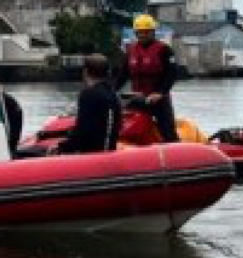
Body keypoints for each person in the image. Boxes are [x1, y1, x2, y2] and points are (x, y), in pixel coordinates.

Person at [116, 14, 180, 143]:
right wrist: (111, 90)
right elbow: (122, 75)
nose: (142, 35)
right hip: (137, 99)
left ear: (153, 32)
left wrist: (160, 93)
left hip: (158, 100)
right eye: (139, 32)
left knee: (168, 132)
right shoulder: (130, 50)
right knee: (125, 127)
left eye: (146, 32)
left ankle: (175, 148)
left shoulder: (165, 50)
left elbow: (172, 74)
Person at [56, 54, 121, 154]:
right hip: (110, 151)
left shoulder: (88, 94)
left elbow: (82, 131)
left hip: (92, 155)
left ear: (85, 72)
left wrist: (62, 147)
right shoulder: (113, 94)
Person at [1, 91, 23, 157]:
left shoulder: (3, 99)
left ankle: (13, 155)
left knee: (12, 142)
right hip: (10, 115)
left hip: (15, 115)